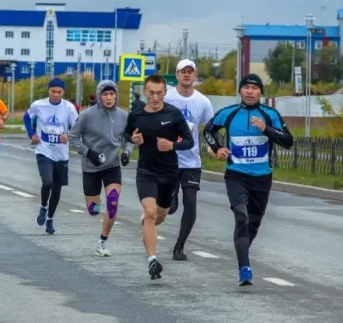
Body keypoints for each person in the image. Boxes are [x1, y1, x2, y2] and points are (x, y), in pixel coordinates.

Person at [203, 73, 293, 286]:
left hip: (262, 179)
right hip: (236, 175)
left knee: (253, 223)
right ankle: (245, 268)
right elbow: (207, 130)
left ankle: (242, 254)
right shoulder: (229, 113)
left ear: (261, 92)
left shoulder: (270, 114)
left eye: (254, 88)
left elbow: (288, 141)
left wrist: (266, 129)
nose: (250, 92)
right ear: (240, 91)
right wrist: (218, 148)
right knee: (241, 218)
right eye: (246, 88)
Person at [123, 74, 194, 280]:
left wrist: (172, 145)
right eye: (151, 93)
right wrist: (133, 138)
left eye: (159, 93)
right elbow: (127, 134)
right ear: (145, 92)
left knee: (160, 216)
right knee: (150, 213)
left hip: (169, 173)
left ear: (165, 92)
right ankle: (152, 260)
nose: (155, 97)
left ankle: (148, 225)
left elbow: (189, 141)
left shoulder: (174, 114)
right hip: (146, 172)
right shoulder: (136, 114)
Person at [68, 80, 133, 257]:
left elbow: (129, 138)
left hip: (112, 165)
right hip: (91, 166)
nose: (109, 98)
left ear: (116, 95)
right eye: (105, 94)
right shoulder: (87, 115)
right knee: (93, 210)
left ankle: (102, 241)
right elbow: (72, 136)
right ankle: (97, 208)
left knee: (113, 202)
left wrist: (126, 152)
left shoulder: (123, 115)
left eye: (112, 94)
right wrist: (88, 153)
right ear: (99, 96)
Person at [163, 59, 215, 261]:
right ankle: (169, 199)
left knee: (191, 203)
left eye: (190, 72)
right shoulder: (167, 97)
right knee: (171, 207)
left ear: (194, 76)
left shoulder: (202, 102)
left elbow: (210, 129)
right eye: (183, 71)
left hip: (192, 162)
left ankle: (179, 246)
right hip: (169, 160)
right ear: (176, 75)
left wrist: (213, 146)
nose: (186, 75)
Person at [23, 78, 78, 234]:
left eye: (59, 92)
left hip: (61, 154)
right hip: (43, 150)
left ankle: (50, 218)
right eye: (53, 91)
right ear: (48, 91)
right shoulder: (39, 105)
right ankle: (43, 207)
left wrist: (68, 136)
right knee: (47, 181)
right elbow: (27, 117)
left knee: (57, 188)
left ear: (63, 92)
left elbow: (77, 128)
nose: (55, 94)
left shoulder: (69, 108)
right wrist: (31, 134)